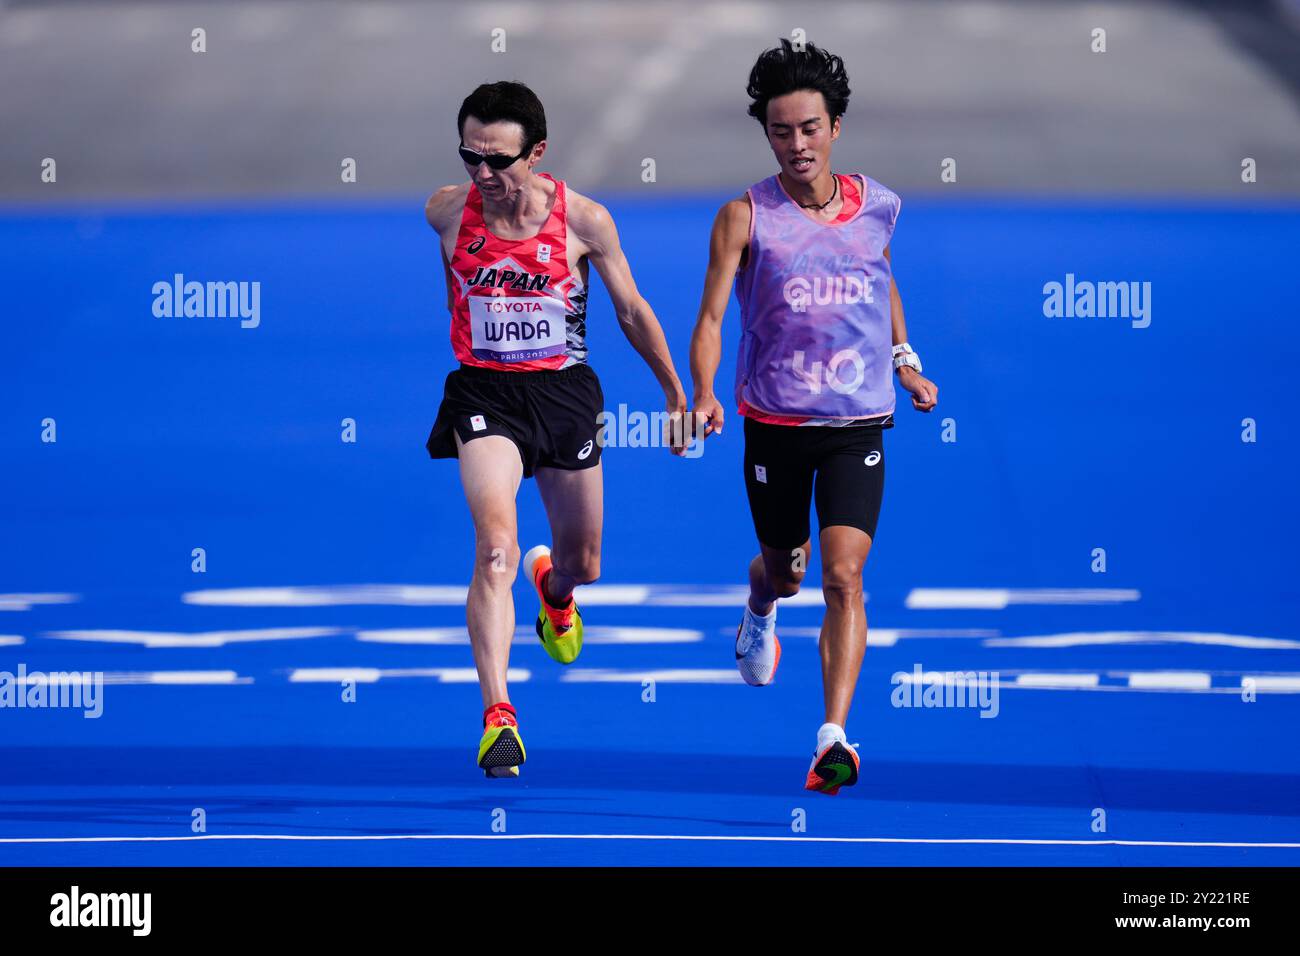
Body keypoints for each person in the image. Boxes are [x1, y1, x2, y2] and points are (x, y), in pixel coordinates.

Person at [688, 40, 939, 795]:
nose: (797, 145)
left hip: (857, 420)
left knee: (844, 576)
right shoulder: (743, 216)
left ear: (836, 128)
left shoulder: (879, 206)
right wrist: (703, 394)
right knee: (789, 572)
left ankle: (833, 735)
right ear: (767, 133)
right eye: (781, 131)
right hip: (774, 423)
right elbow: (708, 319)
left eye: (810, 128)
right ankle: (760, 604)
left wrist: (904, 359)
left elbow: (880, 280)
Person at [425, 81, 688, 777]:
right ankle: (499, 715)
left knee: (585, 562)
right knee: (493, 548)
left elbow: (630, 311)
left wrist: (674, 392)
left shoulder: (585, 222)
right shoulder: (447, 215)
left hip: (564, 394)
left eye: (499, 161)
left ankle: (557, 592)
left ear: (536, 152)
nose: (482, 175)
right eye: (469, 157)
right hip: (484, 395)